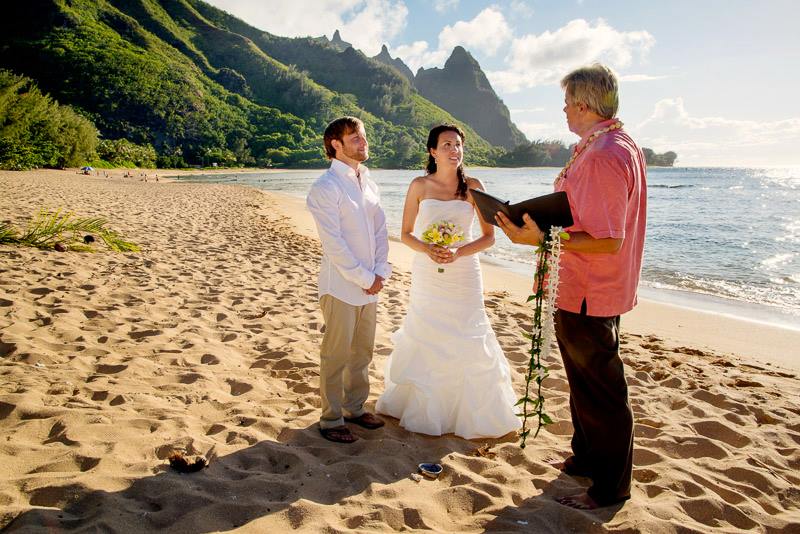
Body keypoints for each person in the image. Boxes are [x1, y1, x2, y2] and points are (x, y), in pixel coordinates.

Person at [497, 64, 647, 510]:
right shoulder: (608, 145)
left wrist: (540, 236)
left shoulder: (603, 155)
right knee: (584, 382)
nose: (563, 110)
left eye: (566, 102)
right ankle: (586, 458)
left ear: (583, 104)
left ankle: (610, 488)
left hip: (590, 289)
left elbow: (606, 238)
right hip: (584, 285)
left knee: (601, 389)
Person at [375, 124, 521, 439]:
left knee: (468, 331)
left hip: (465, 273)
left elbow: (487, 238)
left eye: (457, 145)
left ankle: (468, 413)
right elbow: (405, 234)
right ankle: (426, 408)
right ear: (432, 151)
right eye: (446, 145)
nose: (454, 150)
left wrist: (458, 251)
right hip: (428, 272)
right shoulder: (419, 185)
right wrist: (428, 248)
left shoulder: (474, 187)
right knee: (426, 328)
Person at [306, 117, 391, 444]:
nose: (363, 142)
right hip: (340, 285)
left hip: (371, 284)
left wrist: (381, 272)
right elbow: (334, 244)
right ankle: (331, 419)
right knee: (336, 353)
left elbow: (381, 232)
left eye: (363, 136)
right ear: (335, 145)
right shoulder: (325, 188)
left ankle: (355, 408)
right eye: (355, 137)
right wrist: (364, 277)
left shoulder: (369, 183)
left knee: (362, 352)